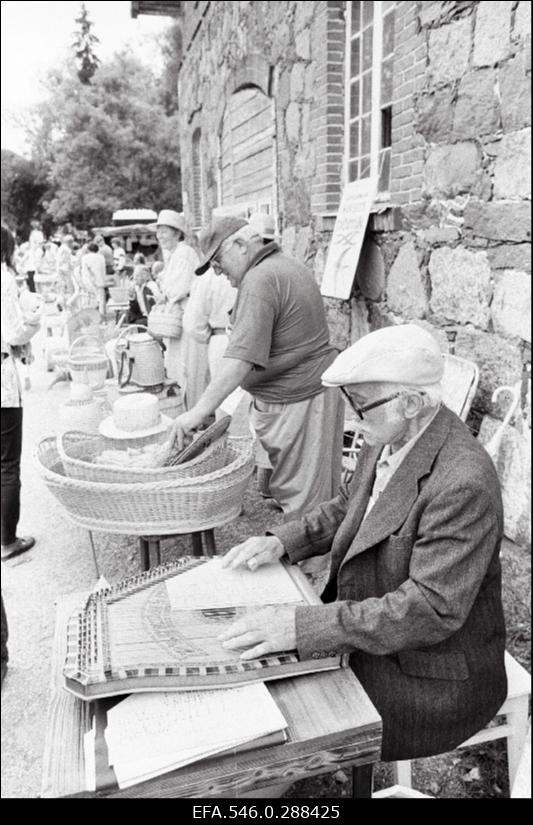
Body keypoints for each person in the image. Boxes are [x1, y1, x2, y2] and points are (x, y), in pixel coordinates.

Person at [219, 324, 507, 764]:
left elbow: (428, 609)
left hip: (431, 673)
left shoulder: (463, 482)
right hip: (381, 634)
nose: (352, 420)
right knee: (262, 681)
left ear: (410, 403)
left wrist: (303, 627)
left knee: (288, 720)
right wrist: (283, 542)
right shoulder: (393, 432)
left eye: (360, 407)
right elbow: (350, 506)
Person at [170, 215, 344, 520]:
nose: (217, 271)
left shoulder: (259, 280)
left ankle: (313, 566)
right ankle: (314, 556)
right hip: (305, 395)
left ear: (240, 245)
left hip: (299, 399)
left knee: (306, 501)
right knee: (311, 493)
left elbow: (239, 362)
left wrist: (197, 413)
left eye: (217, 261)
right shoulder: (279, 267)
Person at [1, 224, 41, 562]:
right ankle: (7, 540)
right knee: (8, 464)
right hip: (1, 379)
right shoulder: (3, 278)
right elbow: (13, 332)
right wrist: (35, 322)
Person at [155, 210, 199, 386]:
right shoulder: (174, 254)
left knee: (184, 362)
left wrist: (164, 295)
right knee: (176, 360)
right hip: (178, 314)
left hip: (187, 311)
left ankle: (188, 403)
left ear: (177, 233)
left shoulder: (184, 253)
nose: (160, 236)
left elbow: (179, 288)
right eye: (158, 232)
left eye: (164, 232)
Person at [81, 241, 107, 321]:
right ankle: (102, 317)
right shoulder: (101, 257)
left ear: (88, 249)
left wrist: (85, 283)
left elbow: (85, 272)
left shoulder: (85, 257)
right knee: (101, 301)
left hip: (90, 282)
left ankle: (90, 318)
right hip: (101, 281)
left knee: (89, 301)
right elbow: (103, 270)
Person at [24, 219, 44, 293]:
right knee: (32, 271)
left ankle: (34, 289)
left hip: (35, 253)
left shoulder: (36, 233)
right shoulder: (35, 233)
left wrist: (34, 250)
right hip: (33, 254)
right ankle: (33, 289)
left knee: (34, 271)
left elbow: (39, 243)